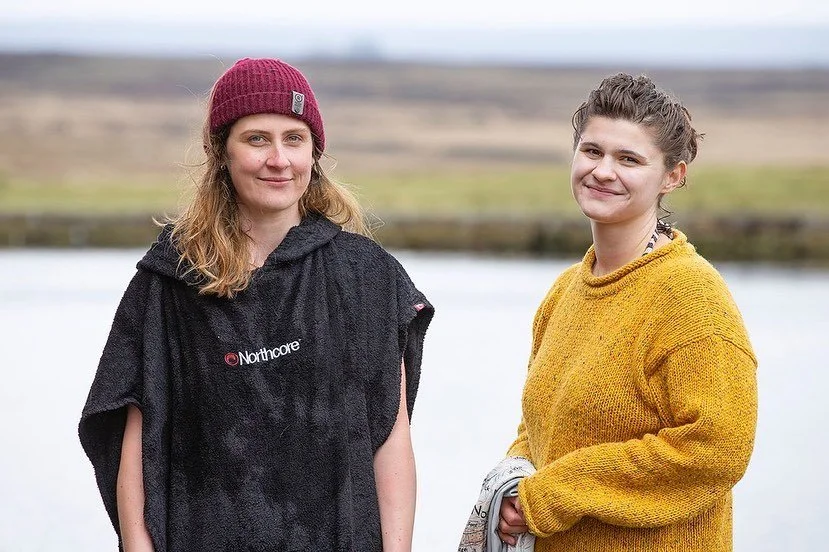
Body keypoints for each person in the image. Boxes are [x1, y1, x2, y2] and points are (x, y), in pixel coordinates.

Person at [79, 57, 433, 552]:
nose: (279, 159)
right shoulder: (171, 280)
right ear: (221, 152)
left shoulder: (366, 276)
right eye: (257, 139)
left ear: (315, 154)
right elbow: (137, 448)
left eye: (294, 138)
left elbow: (391, 441)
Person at [496, 73, 758, 551]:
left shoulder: (691, 299)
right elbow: (541, 424)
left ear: (673, 176)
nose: (602, 171)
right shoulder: (566, 291)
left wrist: (554, 494)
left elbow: (718, 449)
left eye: (629, 159)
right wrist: (513, 486)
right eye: (592, 151)